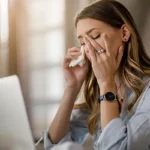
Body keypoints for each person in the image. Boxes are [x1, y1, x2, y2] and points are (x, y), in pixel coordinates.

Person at [44, 0, 150, 149]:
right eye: (82, 43)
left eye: (94, 36)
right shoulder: (96, 93)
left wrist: (107, 83)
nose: (88, 48)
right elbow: (54, 145)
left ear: (124, 33)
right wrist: (72, 86)